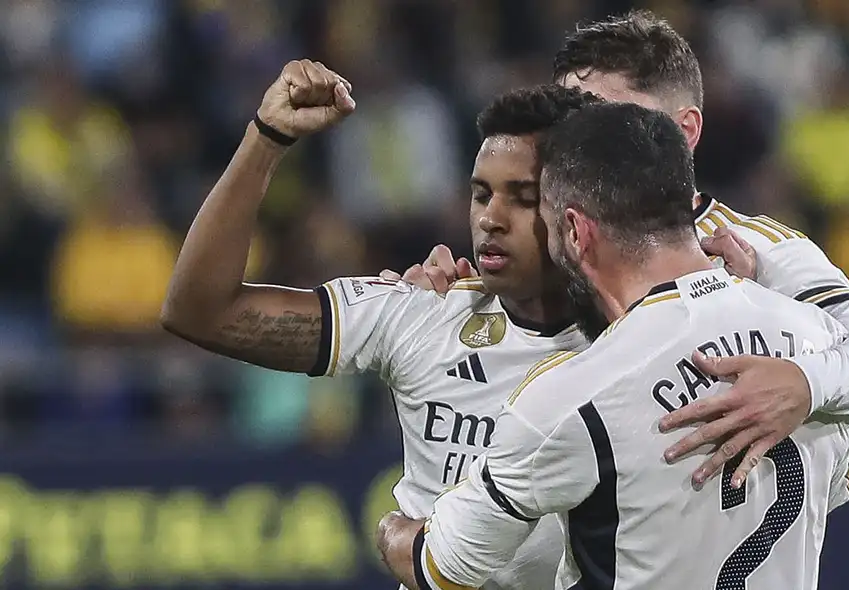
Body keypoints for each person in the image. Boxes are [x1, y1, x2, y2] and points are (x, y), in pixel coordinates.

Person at [384, 9, 849, 487]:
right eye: (570, 122)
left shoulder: (758, 248)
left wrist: (806, 381)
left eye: (609, 119)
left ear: (684, 131)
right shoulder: (540, 237)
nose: (579, 144)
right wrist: (440, 304)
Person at [161, 59, 633, 589]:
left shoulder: (644, 344)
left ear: (580, 208)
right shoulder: (422, 311)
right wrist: (266, 139)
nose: (489, 219)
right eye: (481, 194)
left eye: (522, 199)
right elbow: (199, 310)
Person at [377, 101, 849, 590]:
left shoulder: (573, 394)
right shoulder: (820, 340)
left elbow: (442, 568)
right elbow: (833, 492)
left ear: (577, 232)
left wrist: (393, 529)